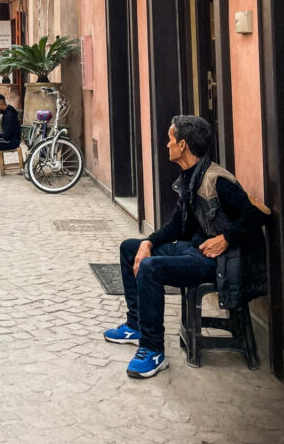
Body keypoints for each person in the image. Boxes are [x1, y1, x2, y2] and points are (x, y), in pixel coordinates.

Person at [103, 114, 268, 379]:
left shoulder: (218, 179)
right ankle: (136, 325)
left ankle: (153, 351)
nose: (166, 145)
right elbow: (176, 228)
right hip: (194, 249)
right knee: (130, 248)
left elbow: (258, 215)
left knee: (150, 268)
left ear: (182, 145)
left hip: (217, 261)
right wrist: (147, 242)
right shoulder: (190, 177)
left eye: (170, 139)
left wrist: (226, 238)